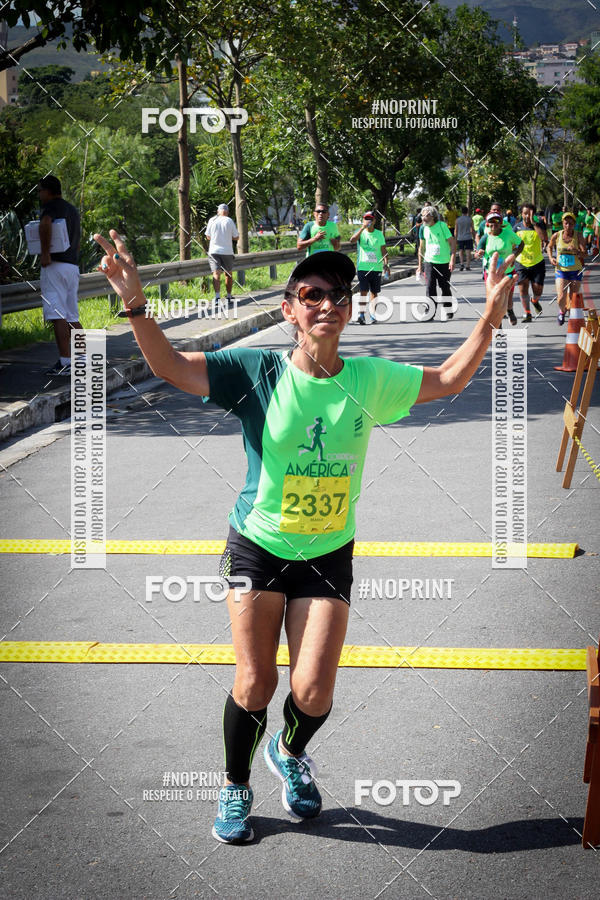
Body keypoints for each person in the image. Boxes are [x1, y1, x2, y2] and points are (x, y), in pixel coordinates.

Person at [93, 228, 517, 845]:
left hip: (326, 554)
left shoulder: (370, 379)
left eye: (338, 295)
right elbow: (169, 367)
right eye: (312, 294)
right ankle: (236, 785)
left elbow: (450, 378)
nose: (327, 304)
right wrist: (135, 304)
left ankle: (289, 752)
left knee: (313, 691)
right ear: (289, 309)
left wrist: (490, 319)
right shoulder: (255, 371)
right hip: (258, 546)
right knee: (256, 682)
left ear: (349, 308)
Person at [37, 175, 81, 376]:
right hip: (72, 267)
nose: (39, 194)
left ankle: (66, 362)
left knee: (58, 316)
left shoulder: (51, 207)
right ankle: (82, 358)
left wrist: (45, 253)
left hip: (54, 265)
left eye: (40, 190)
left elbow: (45, 223)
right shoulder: (72, 209)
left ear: (48, 191)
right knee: (72, 315)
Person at [476, 211, 524, 325]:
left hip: (507, 271)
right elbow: (477, 252)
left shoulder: (508, 233)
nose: (494, 224)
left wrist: (514, 256)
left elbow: (521, 244)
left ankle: (510, 310)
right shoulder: (485, 237)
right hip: (491, 273)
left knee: (507, 296)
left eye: (497, 221)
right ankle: (499, 325)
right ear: (487, 224)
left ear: (501, 222)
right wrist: (479, 253)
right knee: (494, 299)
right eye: (491, 222)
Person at [547, 211, 589, 325]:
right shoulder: (557, 235)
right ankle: (562, 311)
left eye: (571, 223)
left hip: (575, 271)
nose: (568, 226)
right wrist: (551, 258)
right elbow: (549, 247)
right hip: (561, 271)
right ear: (562, 223)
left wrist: (577, 251)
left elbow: (586, 254)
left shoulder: (578, 236)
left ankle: (572, 318)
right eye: (566, 223)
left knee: (573, 297)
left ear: (574, 224)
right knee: (561, 297)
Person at [350, 211, 389, 324]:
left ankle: (373, 314)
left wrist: (386, 264)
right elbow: (352, 240)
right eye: (366, 219)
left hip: (376, 268)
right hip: (363, 267)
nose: (368, 221)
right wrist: (362, 228)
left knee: (374, 292)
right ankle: (361, 315)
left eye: (370, 219)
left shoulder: (379, 234)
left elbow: (383, 251)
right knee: (363, 291)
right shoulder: (360, 232)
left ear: (374, 221)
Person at [417, 205, 456, 318]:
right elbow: (421, 247)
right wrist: (420, 265)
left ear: (433, 216)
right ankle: (430, 311)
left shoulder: (442, 226)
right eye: (422, 215)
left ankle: (448, 308)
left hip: (444, 262)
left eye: (427, 215)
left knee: (445, 287)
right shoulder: (422, 228)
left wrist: (452, 259)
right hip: (429, 262)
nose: (424, 217)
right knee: (430, 287)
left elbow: (452, 242)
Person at [514, 202, 548, 323]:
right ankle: (527, 313)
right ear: (521, 214)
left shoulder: (538, 225)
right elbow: (512, 243)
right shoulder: (517, 227)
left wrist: (534, 224)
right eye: (525, 213)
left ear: (533, 214)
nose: (527, 216)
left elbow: (544, 239)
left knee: (537, 290)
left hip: (537, 262)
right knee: (523, 289)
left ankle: (535, 301)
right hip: (521, 263)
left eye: (530, 214)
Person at [205, 203, 239, 303]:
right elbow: (236, 237)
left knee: (216, 273)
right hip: (227, 251)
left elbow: (208, 236)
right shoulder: (229, 221)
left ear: (218, 212)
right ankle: (228, 296)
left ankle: (217, 297)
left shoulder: (212, 220)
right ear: (227, 212)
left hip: (214, 251)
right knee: (228, 274)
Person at [454, 206, 475, 271]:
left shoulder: (458, 220)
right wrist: (474, 237)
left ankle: (462, 264)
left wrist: (455, 238)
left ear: (461, 212)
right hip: (468, 237)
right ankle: (468, 265)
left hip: (460, 237)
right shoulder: (469, 219)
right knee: (468, 251)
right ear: (467, 211)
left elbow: (456, 230)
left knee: (460, 251)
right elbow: (472, 229)